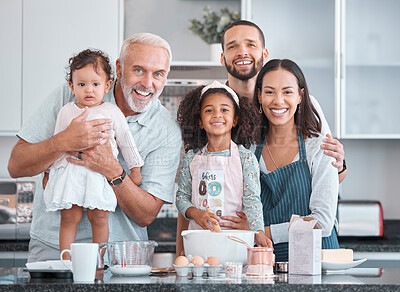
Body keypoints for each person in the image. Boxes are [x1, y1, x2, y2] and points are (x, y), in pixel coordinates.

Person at [7, 33, 182, 262]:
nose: (148, 84)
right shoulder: (72, 95)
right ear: (119, 68)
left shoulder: (166, 131)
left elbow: (145, 215)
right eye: (138, 70)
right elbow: (16, 166)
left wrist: (113, 170)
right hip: (53, 249)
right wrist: (62, 142)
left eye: (158, 74)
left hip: (121, 257)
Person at [43, 49, 144, 258]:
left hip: (99, 175)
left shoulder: (111, 111)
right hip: (71, 173)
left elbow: (126, 141)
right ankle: (66, 260)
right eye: (81, 84)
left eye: (95, 84)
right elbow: (57, 145)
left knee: (100, 217)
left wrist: (135, 168)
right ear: (72, 86)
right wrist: (49, 173)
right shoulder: (66, 111)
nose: (89, 90)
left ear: (107, 85)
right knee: (70, 217)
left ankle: (98, 261)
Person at [220, 20, 347, 182]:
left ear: (264, 54)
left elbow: (335, 175)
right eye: (232, 46)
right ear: (223, 58)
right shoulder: (213, 108)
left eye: (251, 45)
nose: (242, 52)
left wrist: (339, 163)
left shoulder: (300, 105)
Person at [255, 58, 339, 261]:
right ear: (259, 95)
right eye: (269, 92)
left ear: (301, 96)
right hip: (268, 265)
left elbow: (323, 222)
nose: (278, 101)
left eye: (287, 92)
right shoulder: (248, 148)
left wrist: (264, 232)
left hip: (319, 262)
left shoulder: (319, 146)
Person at [175, 81, 271, 256]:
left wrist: (259, 232)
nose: (217, 115)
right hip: (199, 241)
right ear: (200, 122)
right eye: (209, 110)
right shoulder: (192, 158)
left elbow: (252, 200)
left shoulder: (245, 158)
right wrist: (194, 213)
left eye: (224, 110)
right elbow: (181, 197)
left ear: (235, 120)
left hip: (234, 241)